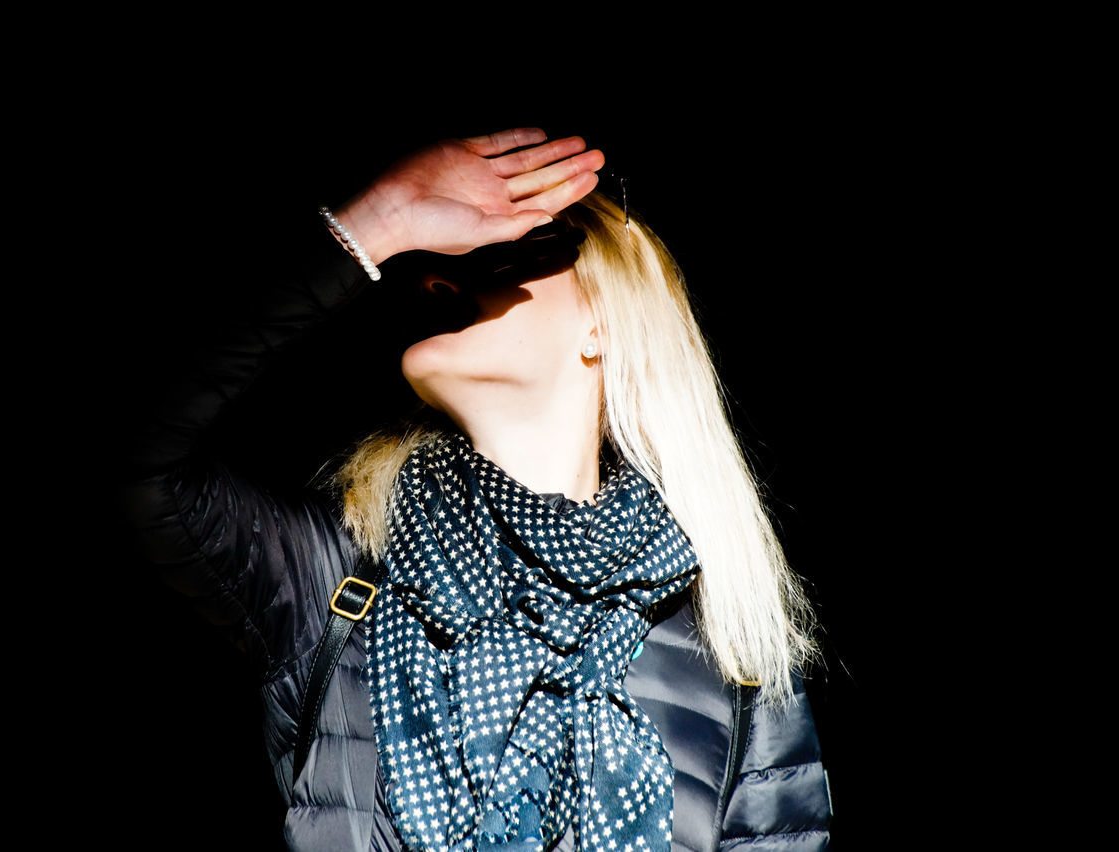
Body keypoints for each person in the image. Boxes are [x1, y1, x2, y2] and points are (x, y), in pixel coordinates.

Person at [120, 127, 832, 851]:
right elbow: (139, 461)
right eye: (429, 260)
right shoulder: (335, 575)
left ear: (602, 322)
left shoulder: (730, 650)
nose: (435, 278)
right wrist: (378, 222)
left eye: (502, 254)